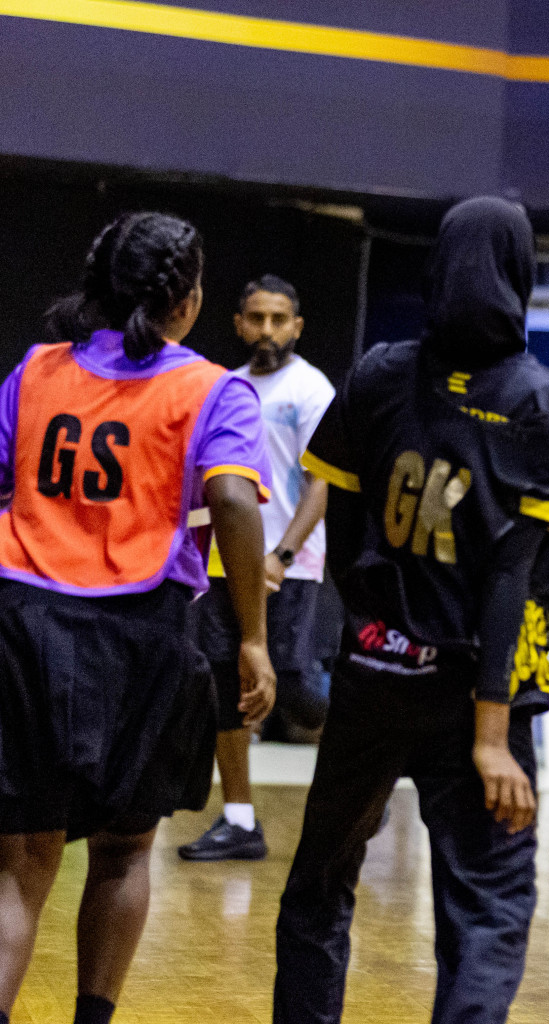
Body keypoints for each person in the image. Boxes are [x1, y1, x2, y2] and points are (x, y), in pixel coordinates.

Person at [272, 196, 549, 1024]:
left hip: (375, 673)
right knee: (487, 912)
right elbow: (510, 577)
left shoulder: (378, 373)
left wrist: (376, 628)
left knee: (318, 885)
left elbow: (352, 526)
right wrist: (492, 734)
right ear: (522, 274)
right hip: (481, 689)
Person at [0, 212, 276, 1024]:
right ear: (188, 301)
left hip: (24, 625)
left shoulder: (38, 368)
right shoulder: (212, 388)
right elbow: (231, 496)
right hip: (139, 633)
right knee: (124, 851)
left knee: (18, 866)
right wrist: (253, 636)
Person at [179, 275, 337, 862]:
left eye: (278, 318)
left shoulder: (311, 388)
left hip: (288, 569)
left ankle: (363, 770)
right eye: (255, 318)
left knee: (296, 687)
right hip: (226, 565)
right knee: (227, 687)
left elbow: (323, 480)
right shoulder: (227, 388)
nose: (266, 328)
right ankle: (240, 819)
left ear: (296, 326)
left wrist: (283, 554)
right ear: (239, 323)